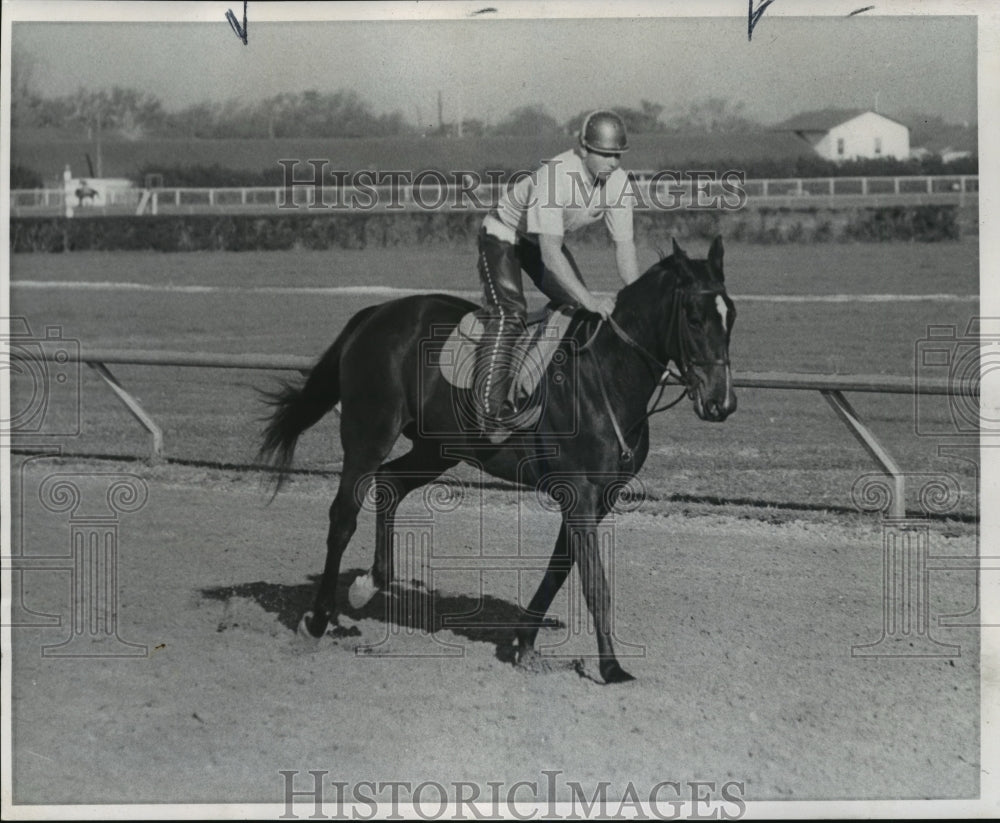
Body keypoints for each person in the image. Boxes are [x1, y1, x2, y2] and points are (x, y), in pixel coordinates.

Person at [472, 109, 640, 443]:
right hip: (503, 235)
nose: (613, 162)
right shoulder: (556, 176)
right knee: (510, 314)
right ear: (582, 148)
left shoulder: (619, 183)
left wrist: (637, 299)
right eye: (605, 154)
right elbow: (550, 253)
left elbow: (625, 247)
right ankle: (489, 414)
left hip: (541, 241)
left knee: (577, 311)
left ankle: (539, 387)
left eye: (617, 155)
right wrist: (589, 298)